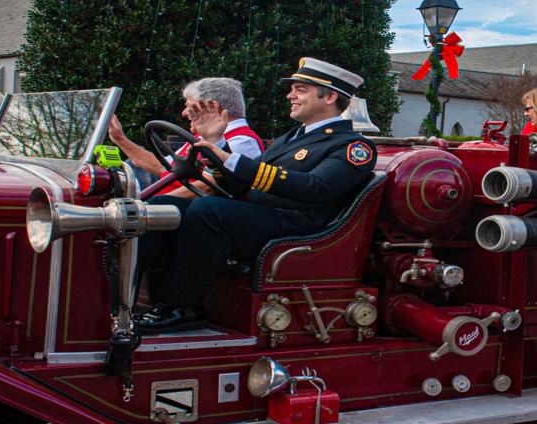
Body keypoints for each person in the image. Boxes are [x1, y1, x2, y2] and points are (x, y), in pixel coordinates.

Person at [136, 58, 376, 332]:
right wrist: (217, 144)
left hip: (299, 225)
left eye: (300, 89)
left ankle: (182, 305)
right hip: (264, 217)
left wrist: (231, 159)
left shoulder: (353, 146)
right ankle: (128, 298)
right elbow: (244, 184)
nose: (290, 95)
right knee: (162, 206)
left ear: (331, 96)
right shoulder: (291, 138)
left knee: (209, 211)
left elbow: (316, 188)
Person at [108, 77, 264, 199]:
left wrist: (146, 205)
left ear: (213, 107)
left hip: (184, 213)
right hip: (168, 205)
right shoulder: (200, 137)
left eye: (190, 106)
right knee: (123, 171)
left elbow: (206, 187)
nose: (184, 113)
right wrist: (120, 139)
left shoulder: (242, 141)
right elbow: (162, 166)